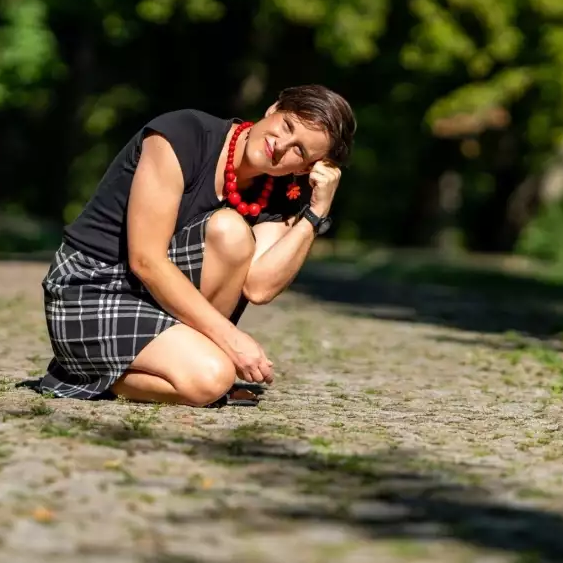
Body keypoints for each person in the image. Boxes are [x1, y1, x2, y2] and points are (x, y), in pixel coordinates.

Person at [38, 84, 356, 407]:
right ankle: (83, 372)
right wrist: (231, 340)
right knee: (213, 376)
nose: (282, 145)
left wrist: (315, 214)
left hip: (151, 300)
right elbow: (146, 260)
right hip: (90, 286)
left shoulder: (280, 192)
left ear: (305, 169)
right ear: (273, 109)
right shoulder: (182, 135)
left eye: (300, 151)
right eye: (287, 126)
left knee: (230, 236)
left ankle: (153, 368)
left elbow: (259, 287)